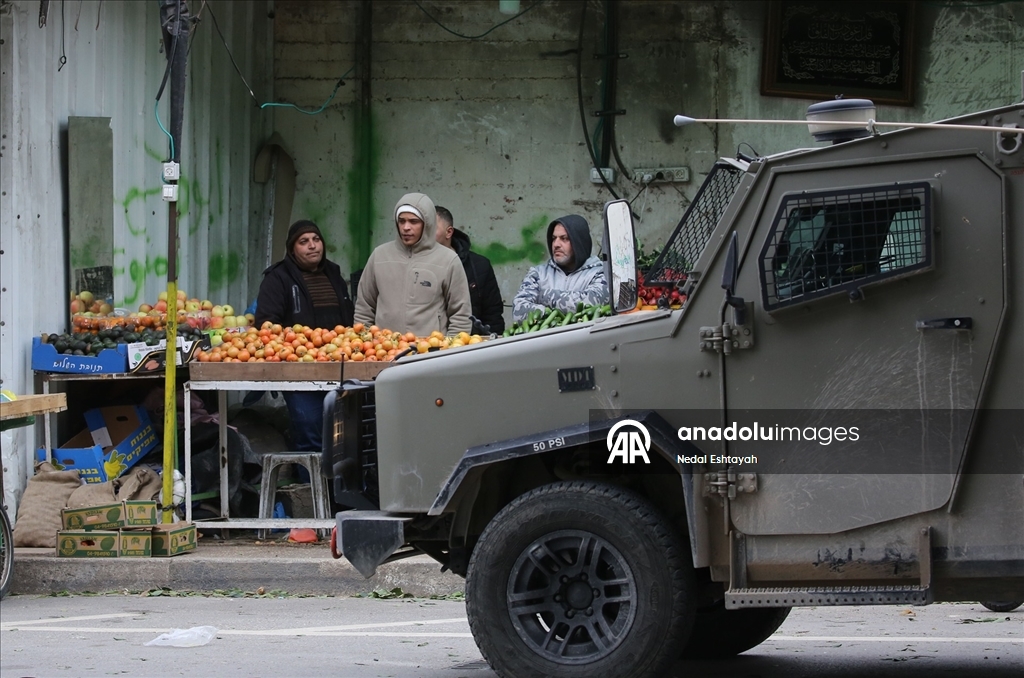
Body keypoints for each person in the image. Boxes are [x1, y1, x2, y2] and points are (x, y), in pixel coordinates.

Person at [255, 220, 354, 454]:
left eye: (316, 240)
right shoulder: (277, 278)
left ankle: (334, 489)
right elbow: (266, 325)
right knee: (310, 428)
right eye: (304, 242)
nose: (312, 246)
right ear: (292, 249)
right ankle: (307, 488)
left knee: (343, 433)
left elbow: (348, 321)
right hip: (299, 370)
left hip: (338, 366)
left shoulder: (334, 273)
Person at [355, 193, 472, 336]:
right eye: (401, 221)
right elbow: (364, 309)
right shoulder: (379, 256)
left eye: (413, 221)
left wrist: (450, 352)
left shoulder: (448, 260)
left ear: (427, 224)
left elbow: (461, 314)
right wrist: (366, 346)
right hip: (384, 352)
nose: (406, 227)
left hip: (432, 353)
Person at [512, 214, 608, 322]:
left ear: (579, 242)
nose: (556, 244)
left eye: (564, 238)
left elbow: (591, 303)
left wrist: (544, 296)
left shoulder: (601, 273)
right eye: (553, 238)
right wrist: (547, 313)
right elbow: (518, 310)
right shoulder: (538, 274)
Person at [434, 205, 505, 335]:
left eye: (432, 229)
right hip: (426, 344)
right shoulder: (414, 265)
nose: (425, 234)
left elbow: (493, 316)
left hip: (470, 345)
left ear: (448, 232)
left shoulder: (478, 266)